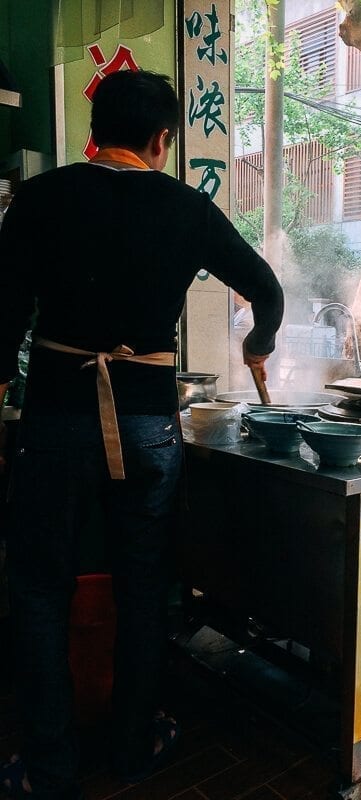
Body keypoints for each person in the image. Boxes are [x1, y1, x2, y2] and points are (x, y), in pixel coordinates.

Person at [0, 70, 284, 800]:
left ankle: (47, 764)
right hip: (149, 428)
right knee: (142, 586)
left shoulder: (40, 198)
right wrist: (259, 345)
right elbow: (267, 290)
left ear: (95, 131)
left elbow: (1, 318)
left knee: (38, 588)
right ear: (163, 140)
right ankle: (133, 746)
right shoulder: (188, 209)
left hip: (56, 422)